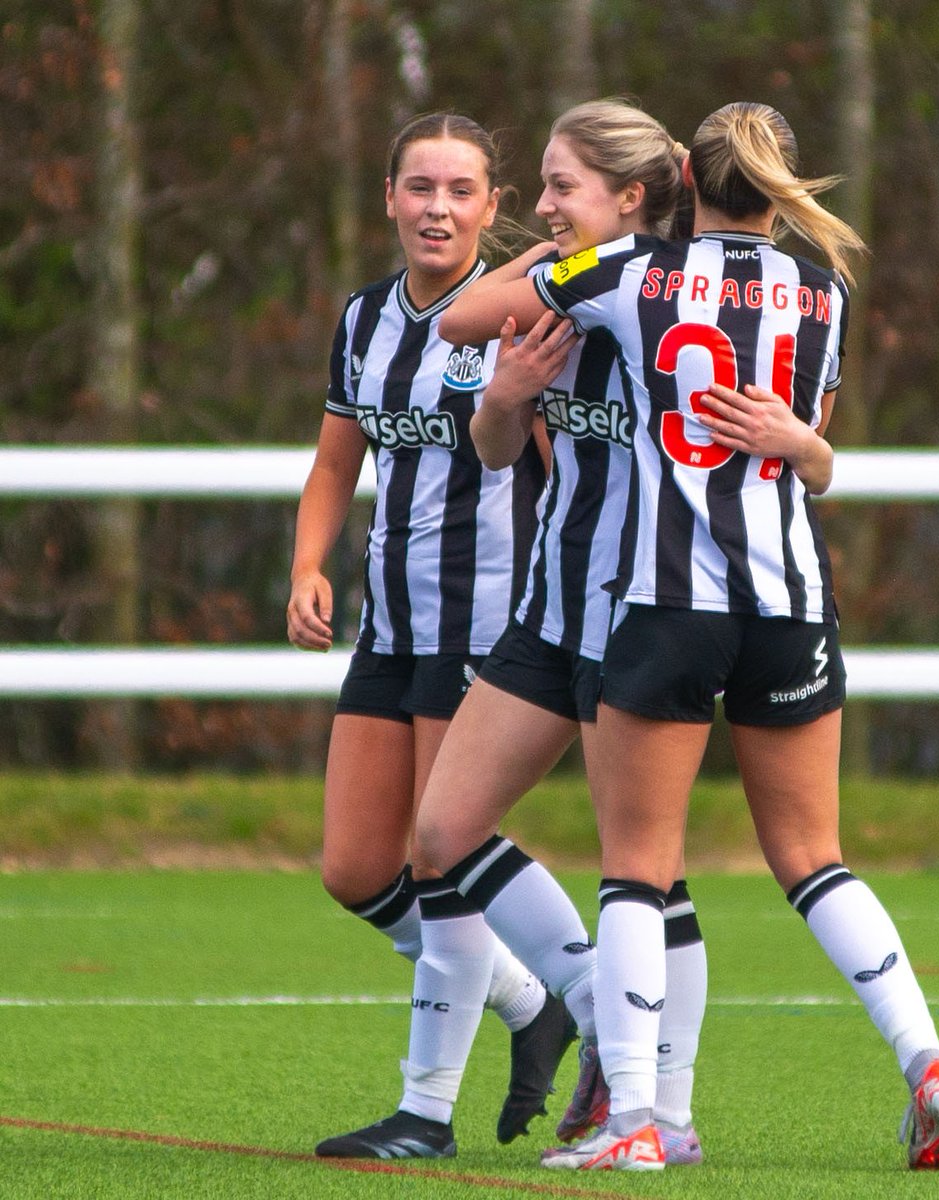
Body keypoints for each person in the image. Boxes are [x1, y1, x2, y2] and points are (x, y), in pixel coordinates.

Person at [431, 101, 939, 1172]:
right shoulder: (825, 290)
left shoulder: (625, 274)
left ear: (675, 175)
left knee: (639, 869)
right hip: (791, 604)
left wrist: (554, 257)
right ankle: (926, 1057)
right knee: (815, 857)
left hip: (667, 599)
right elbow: (807, 447)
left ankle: (638, 1115)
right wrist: (805, 450)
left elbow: (458, 320)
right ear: (780, 186)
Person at [285, 111, 575, 1160]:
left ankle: (425, 1114)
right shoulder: (364, 319)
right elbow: (333, 463)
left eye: (461, 190)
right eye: (420, 187)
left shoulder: (517, 317)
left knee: (440, 856)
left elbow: (572, 468)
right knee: (358, 869)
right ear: (390, 198)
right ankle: (536, 1002)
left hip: (485, 626)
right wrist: (307, 565)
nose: (437, 208)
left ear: (496, 207)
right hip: (391, 624)